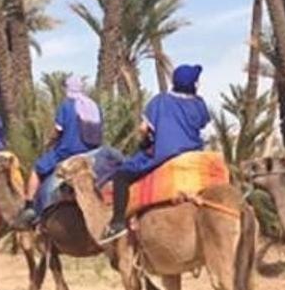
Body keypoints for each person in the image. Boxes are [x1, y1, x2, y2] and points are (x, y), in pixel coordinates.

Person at [99, 63, 211, 243]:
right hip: (193, 154)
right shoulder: (199, 104)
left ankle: (117, 223)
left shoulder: (160, 101)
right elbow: (202, 123)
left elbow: (143, 129)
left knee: (121, 176)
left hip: (164, 155)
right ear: (193, 84)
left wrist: (146, 140)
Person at [16, 75, 103, 226]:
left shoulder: (66, 105)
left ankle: (29, 206)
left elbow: (58, 131)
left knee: (37, 169)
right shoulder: (94, 107)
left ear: (68, 88)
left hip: (67, 151)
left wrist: (49, 142)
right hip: (92, 153)